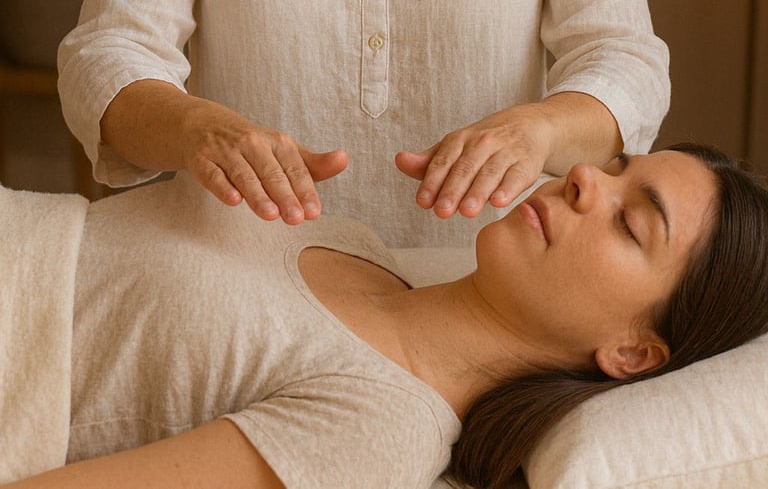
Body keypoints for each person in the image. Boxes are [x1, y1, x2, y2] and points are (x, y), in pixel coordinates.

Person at [2, 143, 767, 489]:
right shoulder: (352, 242)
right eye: (613, 169)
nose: (584, 183)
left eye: (631, 223)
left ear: (632, 353)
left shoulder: (380, 433)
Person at [57, 0, 670, 247]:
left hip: (482, 286)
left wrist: (542, 129)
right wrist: (194, 125)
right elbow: (107, 52)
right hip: (242, 279)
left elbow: (625, 57)